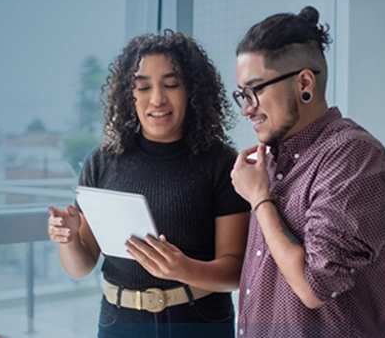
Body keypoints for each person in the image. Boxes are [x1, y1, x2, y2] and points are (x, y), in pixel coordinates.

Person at [48, 32, 250, 337]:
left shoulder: (221, 163)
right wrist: (70, 238)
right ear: (129, 95)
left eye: (171, 84)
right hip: (120, 323)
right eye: (143, 87)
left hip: (198, 321)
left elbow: (236, 272)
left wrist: (183, 269)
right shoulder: (101, 163)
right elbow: (80, 266)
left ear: (192, 90)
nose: (157, 99)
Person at [230, 6, 385, 338]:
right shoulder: (271, 162)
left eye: (255, 90)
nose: (247, 109)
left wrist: (260, 200)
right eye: (242, 94)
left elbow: (314, 286)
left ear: (304, 83)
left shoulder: (354, 157)